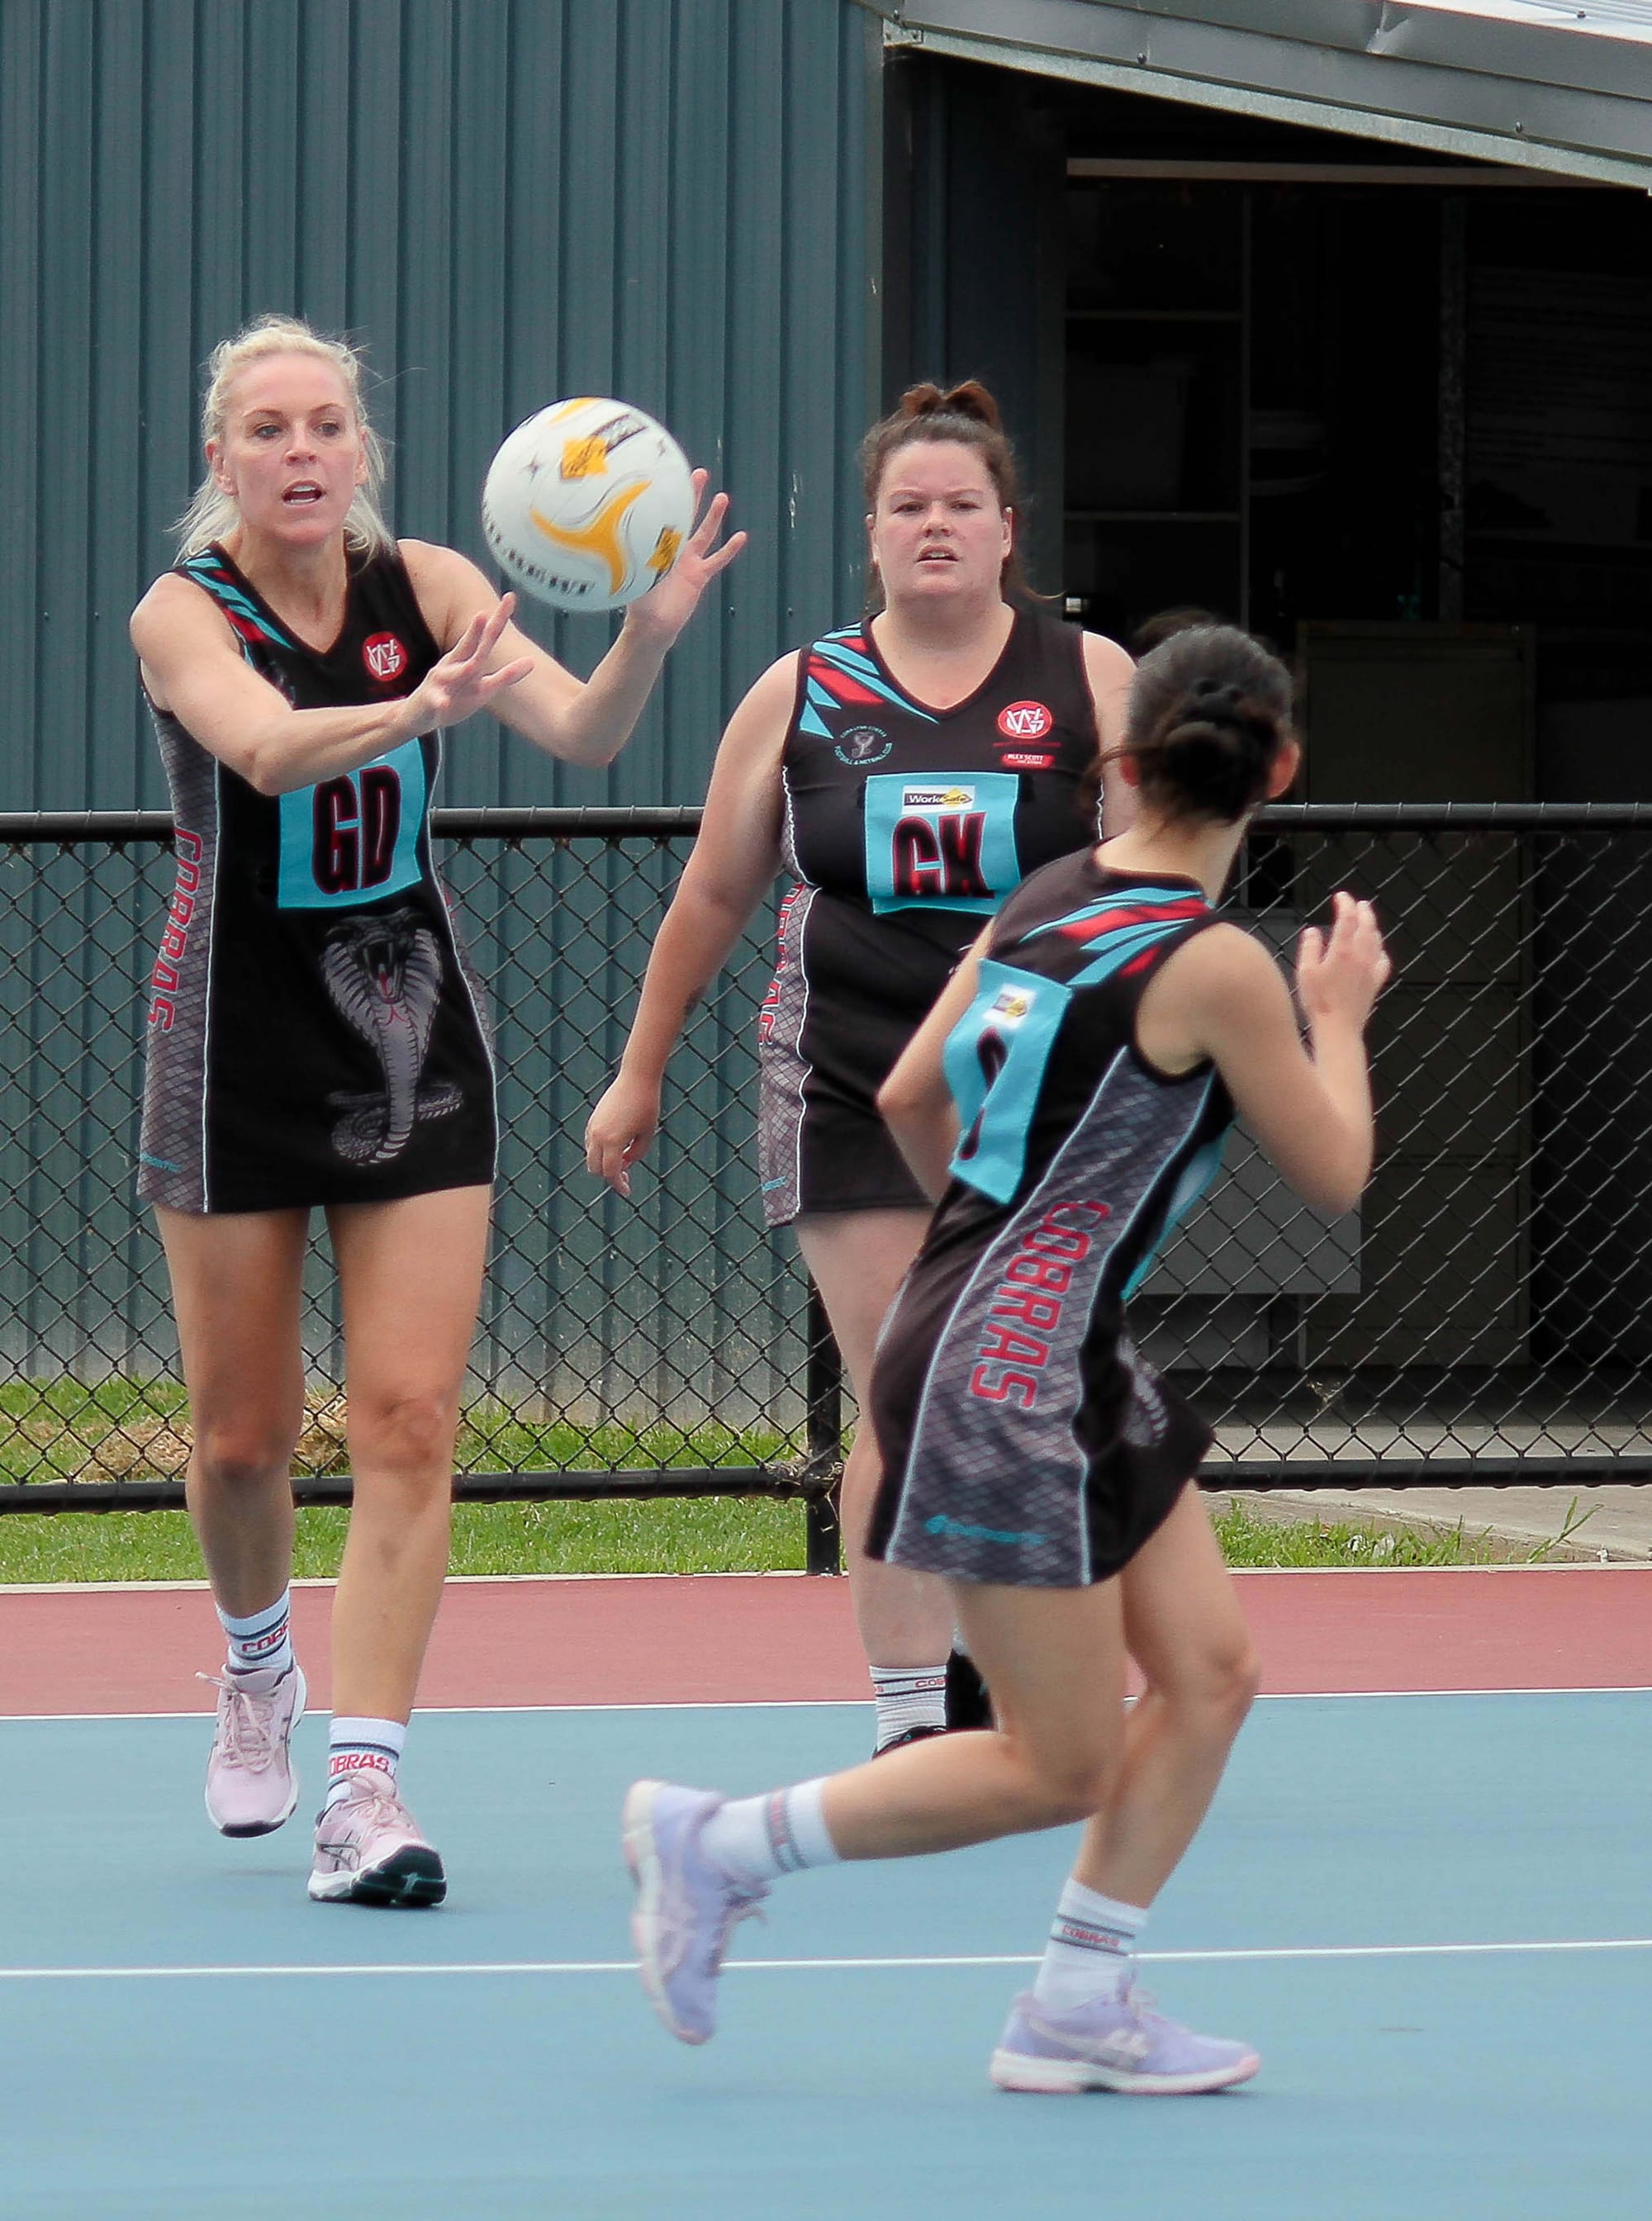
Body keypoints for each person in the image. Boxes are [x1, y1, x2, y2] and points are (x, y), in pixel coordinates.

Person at [620, 623, 1390, 2091]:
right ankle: (716, 1844)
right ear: (1279, 769)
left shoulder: (1049, 894)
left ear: (1117, 762)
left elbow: (914, 1091)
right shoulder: (1217, 962)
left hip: (1037, 1340)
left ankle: (1077, 2004)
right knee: (1060, 1757)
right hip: (1010, 1373)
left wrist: (983, 1240)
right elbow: (1336, 1167)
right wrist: (1338, 1017)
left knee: (1212, 1673)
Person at [130, 314, 741, 1905]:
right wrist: (413, 714)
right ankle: (257, 1661)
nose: (302, 452)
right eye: (266, 429)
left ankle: (365, 1793)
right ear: (226, 459)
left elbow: (587, 733)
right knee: (243, 1437)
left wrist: (649, 631)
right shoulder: (181, 614)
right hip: (235, 1041)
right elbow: (263, 752)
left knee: (408, 1422)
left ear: (364, 449)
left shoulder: (438, 590)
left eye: (326, 423)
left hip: (413, 1031)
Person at [586, 383, 1135, 1751]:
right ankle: (907, 1711)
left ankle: (1025, 1661)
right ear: (873, 536)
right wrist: (637, 1071)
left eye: (961, 507)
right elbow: (715, 894)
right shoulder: (806, 691)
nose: (935, 527)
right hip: (846, 1069)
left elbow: (1155, 876)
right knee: (901, 1380)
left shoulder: (1093, 677)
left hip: (1036, 1078)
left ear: (1008, 531)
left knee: (1024, 1385)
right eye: (909, 508)